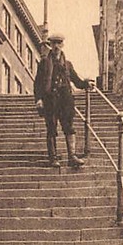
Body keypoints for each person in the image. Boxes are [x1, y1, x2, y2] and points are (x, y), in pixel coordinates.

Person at [36, 33, 94, 169]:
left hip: (65, 100)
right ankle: (53, 158)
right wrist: (38, 99)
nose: (56, 46)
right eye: (53, 43)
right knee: (51, 128)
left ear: (62, 45)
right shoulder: (44, 63)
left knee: (69, 128)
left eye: (59, 43)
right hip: (50, 99)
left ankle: (72, 156)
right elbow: (38, 83)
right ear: (50, 45)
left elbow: (76, 81)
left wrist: (86, 84)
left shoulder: (67, 64)